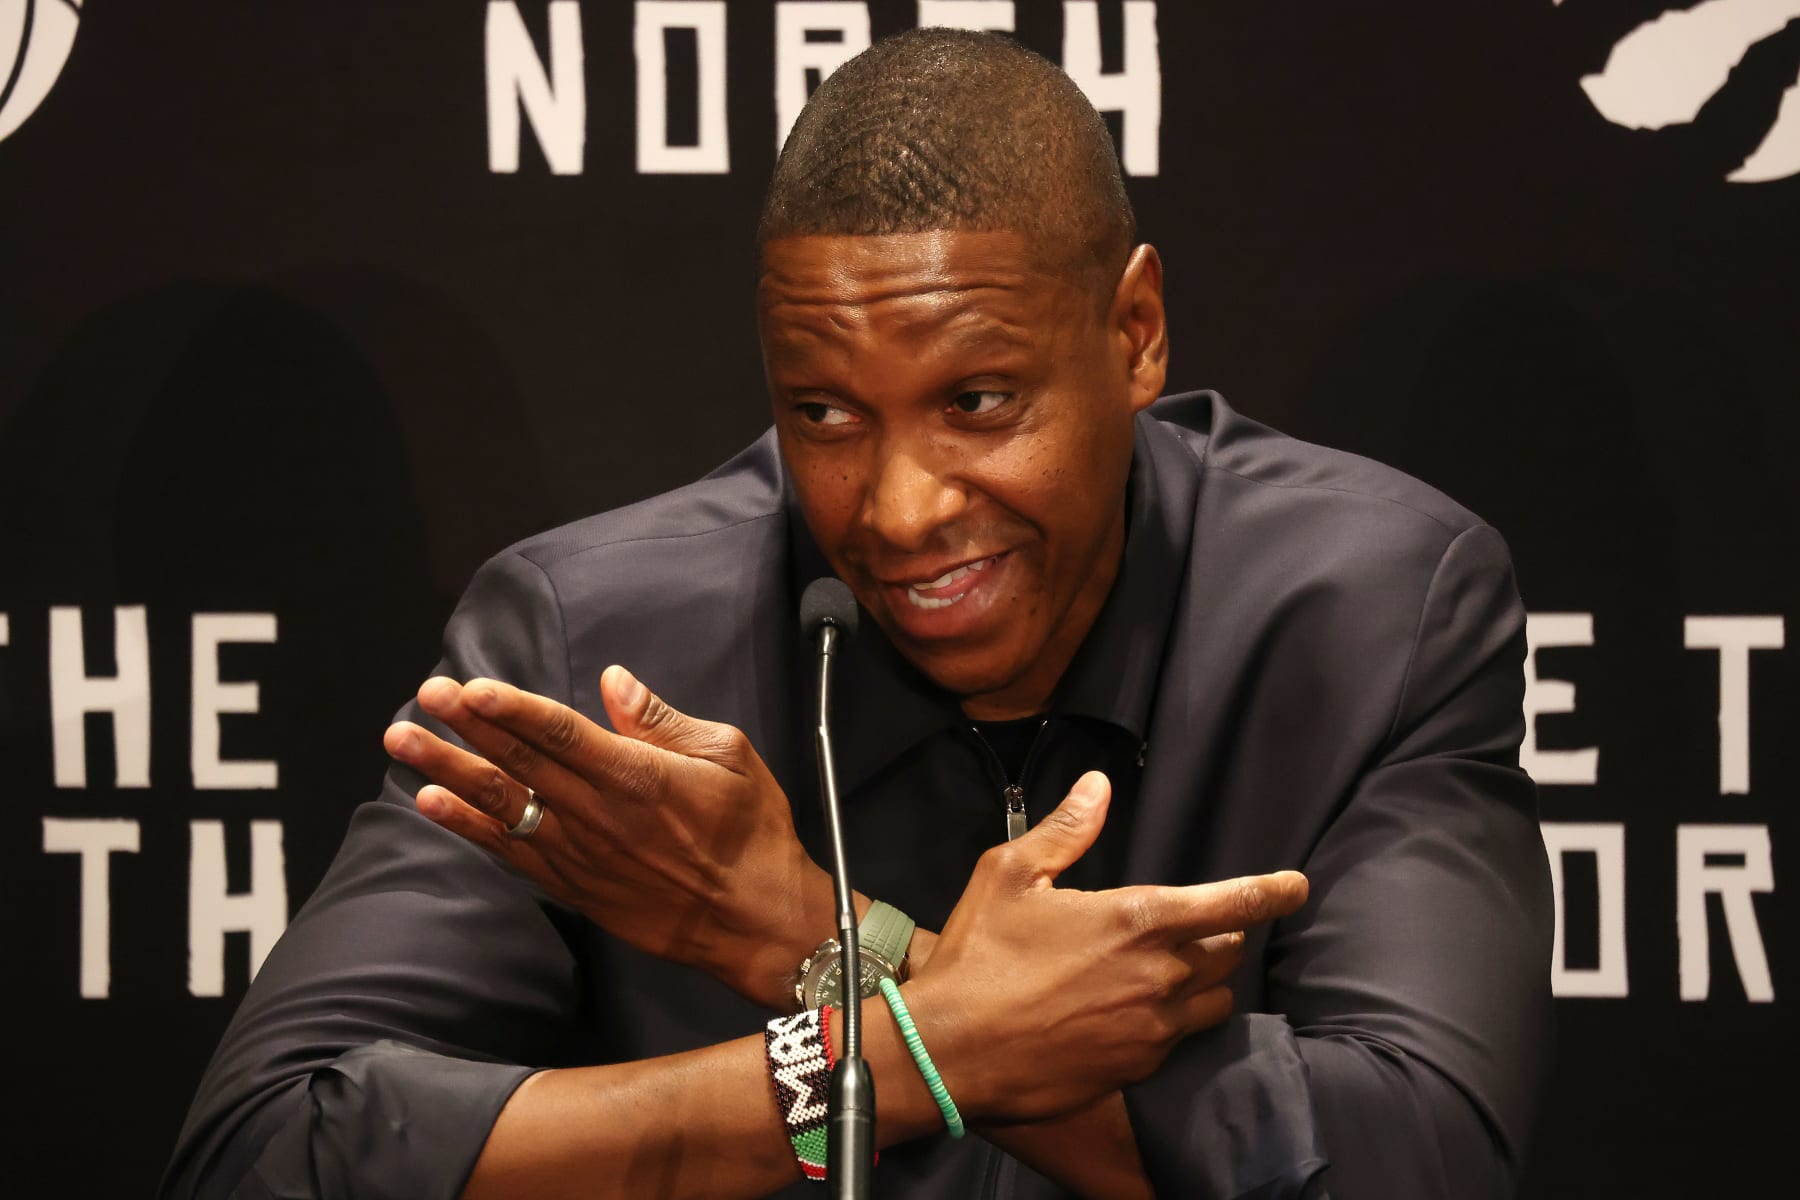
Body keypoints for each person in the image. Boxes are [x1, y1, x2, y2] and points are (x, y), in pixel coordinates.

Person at [163, 29, 1552, 1200]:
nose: (896, 511)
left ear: (1134, 335)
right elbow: (262, 1151)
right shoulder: (592, 641)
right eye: (822, 412)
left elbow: (1419, 1156)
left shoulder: (1372, 610)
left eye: (977, 404)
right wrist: (889, 1054)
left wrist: (783, 925)